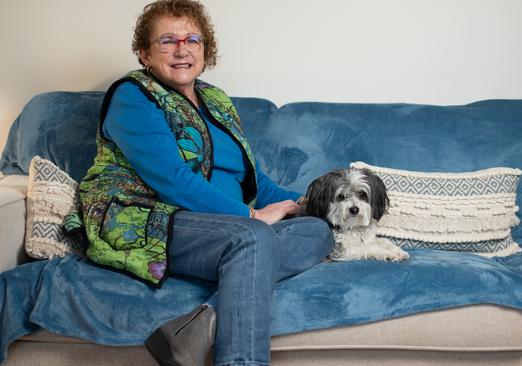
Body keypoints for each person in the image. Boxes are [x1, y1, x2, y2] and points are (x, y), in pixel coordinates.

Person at [77, 0, 334, 365]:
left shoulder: (216, 100)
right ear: (144, 54)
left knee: (318, 229)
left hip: (222, 228)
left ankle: (198, 325)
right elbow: (172, 179)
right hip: (145, 218)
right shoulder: (133, 95)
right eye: (167, 41)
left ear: (205, 50)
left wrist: (310, 205)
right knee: (253, 237)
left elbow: (254, 180)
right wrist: (252, 217)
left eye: (192, 39)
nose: (182, 50)